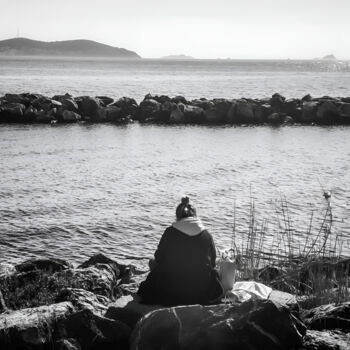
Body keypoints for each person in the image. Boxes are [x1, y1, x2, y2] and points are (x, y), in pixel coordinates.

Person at [137, 197, 223, 306]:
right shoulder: (206, 235)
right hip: (199, 291)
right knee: (215, 272)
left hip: (171, 290)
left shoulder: (170, 232)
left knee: (153, 263)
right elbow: (212, 264)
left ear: (178, 216)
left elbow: (158, 258)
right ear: (195, 216)